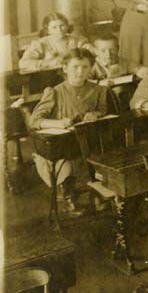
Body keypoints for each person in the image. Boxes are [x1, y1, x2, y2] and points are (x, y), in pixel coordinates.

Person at [29, 49, 108, 215]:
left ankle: (98, 192)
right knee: (68, 164)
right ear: (65, 68)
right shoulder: (55, 92)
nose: (80, 72)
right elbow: (34, 120)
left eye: (85, 67)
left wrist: (96, 114)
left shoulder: (98, 90)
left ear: (91, 68)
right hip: (62, 147)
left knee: (101, 156)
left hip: (88, 142)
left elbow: (103, 110)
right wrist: (57, 123)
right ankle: (68, 197)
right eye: (75, 67)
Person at [18, 12, 90, 72]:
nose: (59, 30)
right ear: (48, 30)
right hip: (50, 77)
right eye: (54, 27)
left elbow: (91, 52)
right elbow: (23, 63)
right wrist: (47, 63)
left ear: (67, 26)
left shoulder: (77, 40)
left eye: (62, 26)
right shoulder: (40, 44)